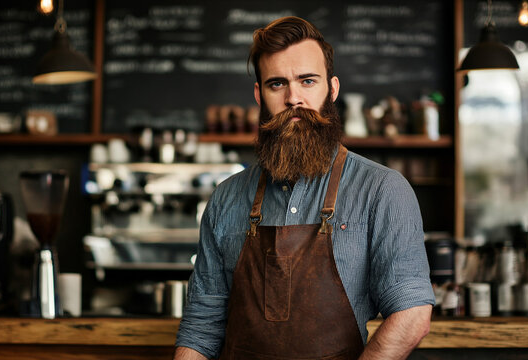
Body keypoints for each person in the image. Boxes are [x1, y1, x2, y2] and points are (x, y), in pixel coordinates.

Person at [175, 16, 434, 360]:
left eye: (307, 81)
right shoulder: (226, 199)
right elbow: (201, 328)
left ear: (333, 88)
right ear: (259, 94)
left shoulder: (382, 191)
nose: (293, 98)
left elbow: (412, 315)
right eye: (277, 84)